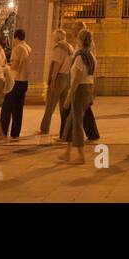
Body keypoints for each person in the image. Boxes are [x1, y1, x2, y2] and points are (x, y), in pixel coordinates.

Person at [61, 30, 96, 164]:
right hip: (87, 88)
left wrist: (69, 96)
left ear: (80, 40)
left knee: (76, 122)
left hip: (79, 90)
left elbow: (77, 78)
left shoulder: (81, 56)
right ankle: (67, 152)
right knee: (71, 120)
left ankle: (81, 156)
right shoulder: (91, 56)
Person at [0, 28, 32, 141]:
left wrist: (6, 67)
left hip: (15, 81)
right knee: (18, 109)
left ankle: (2, 132)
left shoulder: (17, 48)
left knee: (6, 108)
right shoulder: (28, 47)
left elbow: (15, 66)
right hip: (24, 82)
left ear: (16, 37)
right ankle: (15, 133)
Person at [41, 29, 73, 137]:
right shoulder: (70, 47)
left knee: (50, 104)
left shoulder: (58, 48)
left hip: (58, 77)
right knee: (64, 106)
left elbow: (56, 64)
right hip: (67, 77)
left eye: (54, 36)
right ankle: (65, 130)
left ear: (58, 37)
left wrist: (53, 79)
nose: (52, 38)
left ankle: (44, 128)